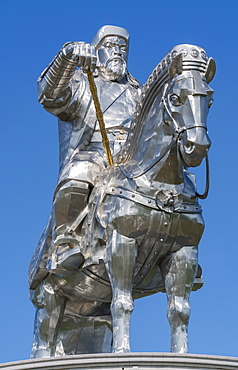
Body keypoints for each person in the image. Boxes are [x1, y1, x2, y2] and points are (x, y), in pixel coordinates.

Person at [33, 25, 142, 277]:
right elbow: (50, 96)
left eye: (122, 48)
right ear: (97, 50)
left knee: (173, 182)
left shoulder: (139, 90)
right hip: (96, 150)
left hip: (133, 157)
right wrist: (68, 55)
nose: (118, 52)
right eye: (111, 47)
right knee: (79, 172)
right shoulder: (82, 81)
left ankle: (173, 246)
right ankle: (65, 241)